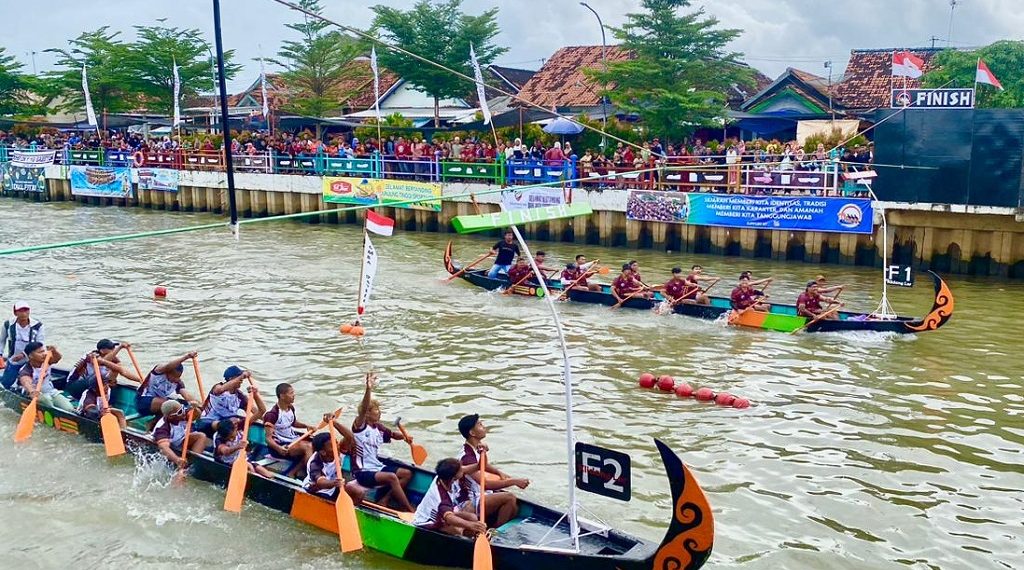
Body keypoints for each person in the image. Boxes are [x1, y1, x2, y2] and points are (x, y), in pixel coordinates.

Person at [351, 372, 415, 512]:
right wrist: (368, 389)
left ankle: (384, 500)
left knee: (407, 473)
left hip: (377, 467)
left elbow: (392, 435)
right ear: (367, 413)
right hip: (362, 472)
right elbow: (363, 408)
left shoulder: (379, 428)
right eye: (376, 410)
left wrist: (405, 437)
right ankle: (409, 509)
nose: (379, 412)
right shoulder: (360, 426)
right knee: (392, 477)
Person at [456, 414, 530, 528]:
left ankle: (495, 527)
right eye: (480, 425)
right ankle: (495, 534)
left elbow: (482, 465)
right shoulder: (466, 457)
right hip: (469, 501)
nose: (484, 427)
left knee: (514, 507)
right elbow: (485, 484)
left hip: (480, 495)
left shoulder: (475, 447)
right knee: (510, 498)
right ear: (472, 433)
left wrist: (498, 472)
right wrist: (514, 481)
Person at [412, 457, 487, 537]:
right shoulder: (442, 497)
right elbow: (449, 518)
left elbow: (479, 466)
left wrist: (483, 452)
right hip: (428, 523)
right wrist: (471, 525)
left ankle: (471, 536)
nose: (463, 470)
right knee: (457, 531)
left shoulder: (444, 476)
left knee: (472, 517)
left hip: (441, 516)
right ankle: (467, 540)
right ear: (453, 478)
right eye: (460, 470)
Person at [263, 382, 316, 478]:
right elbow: (268, 439)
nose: (294, 395)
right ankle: (312, 476)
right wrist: (279, 449)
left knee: (316, 443)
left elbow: (293, 423)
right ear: (282, 396)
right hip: (280, 446)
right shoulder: (272, 415)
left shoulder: (290, 408)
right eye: (291, 393)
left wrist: (306, 426)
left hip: (292, 440)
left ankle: (293, 472)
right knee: (308, 447)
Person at [303, 425, 367, 504]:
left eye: (336, 442)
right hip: (318, 490)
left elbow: (350, 437)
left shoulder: (339, 449)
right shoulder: (315, 463)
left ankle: (349, 510)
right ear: (323, 452)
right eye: (332, 446)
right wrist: (334, 483)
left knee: (359, 491)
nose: (337, 446)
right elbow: (321, 482)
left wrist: (334, 422)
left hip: (334, 487)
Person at [196, 365, 266, 436]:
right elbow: (220, 389)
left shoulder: (240, 397)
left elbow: (256, 412)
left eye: (241, 377)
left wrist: (268, 421)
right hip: (207, 422)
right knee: (230, 423)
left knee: (246, 420)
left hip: (229, 425)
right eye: (238, 377)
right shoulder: (217, 387)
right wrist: (242, 376)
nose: (241, 380)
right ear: (230, 378)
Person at [66, 339, 140, 400]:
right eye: (111, 348)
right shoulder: (91, 355)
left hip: (93, 385)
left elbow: (122, 371)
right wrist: (119, 348)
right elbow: (101, 362)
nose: (113, 350)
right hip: (75, 386)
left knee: (113, 376)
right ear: (102, 350)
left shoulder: (114, 359)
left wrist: (141, 380)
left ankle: (108, 402)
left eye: (114, 347)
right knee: (101, 377)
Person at [135, 351, 202, 416]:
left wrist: (200, 406)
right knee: (172, 405)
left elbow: (187, 395)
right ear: (168, 372)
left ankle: (155, 423)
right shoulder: (159, 371)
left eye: (178, 377)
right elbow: (168, 366)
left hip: (160, 404)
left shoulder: (178, 383)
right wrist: (187, 357)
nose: (176, 379)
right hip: (142, 402)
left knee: (185, 404)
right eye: (174, 376)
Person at [16, 342, 72, 412]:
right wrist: (32, 391)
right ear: (30, 356)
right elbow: (26, 382)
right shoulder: (26, 370)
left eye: (43, 351)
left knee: (69, 409)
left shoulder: (47, 361)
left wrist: (54, 351)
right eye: (40, 352)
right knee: (48, 403)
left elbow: (57, 358)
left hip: (50, 391)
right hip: (34, 394)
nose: (44, 354)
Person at [153, 399, 208, 469]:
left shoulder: (181, 413)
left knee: (201, 437)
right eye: (180, 412)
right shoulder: (162, 428)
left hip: (181, 439)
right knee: (200, 436)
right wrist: (177, 460)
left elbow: (196, 416)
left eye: (182, 408)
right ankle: (186, 467)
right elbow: (164, 448)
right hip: (172, 444)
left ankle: (192, 464)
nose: (183, 412)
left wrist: (196, 408)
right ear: (171, 416)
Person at [1, 301, 44, 389]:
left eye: (26, 310)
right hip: (14, 360)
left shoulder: (38, 326)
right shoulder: (8, 325)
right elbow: (1, 341)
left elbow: (40, 344)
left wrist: (24, 354)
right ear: (15, 313)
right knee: (6, 384)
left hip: (31, 360)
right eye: (20, 311)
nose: (24, 313)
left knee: (29, 383)